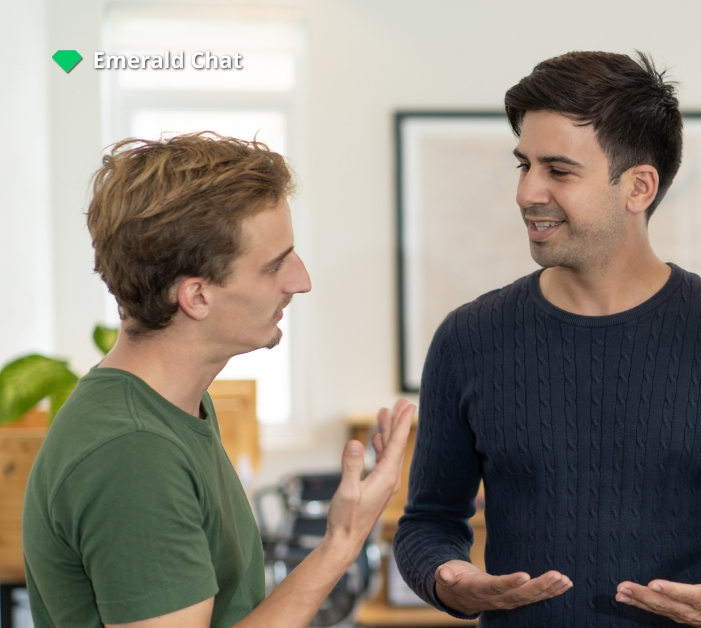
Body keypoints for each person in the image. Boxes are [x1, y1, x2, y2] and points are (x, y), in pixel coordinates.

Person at [392, 50, 701, 628]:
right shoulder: (467, 339)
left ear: (638, 187)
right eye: (523, 165)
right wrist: (449, 582)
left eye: (558, 170)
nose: (527, 191)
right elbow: (428, 522)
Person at [22, 133, 414, 628]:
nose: (301, 280)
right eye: (275, 265)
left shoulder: (176, 405)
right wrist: (341, 543)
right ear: (196, 297)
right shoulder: (134, 454)